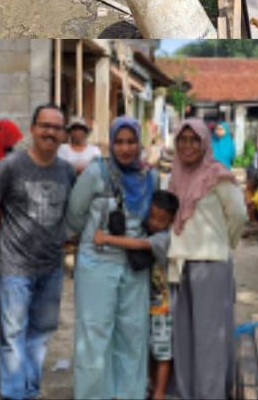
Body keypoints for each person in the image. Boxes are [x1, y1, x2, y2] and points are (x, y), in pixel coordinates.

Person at [0, 105, 77, 400]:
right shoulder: (9, 166)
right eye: (45, 126)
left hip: (51, 267)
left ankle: (31, 390)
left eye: (57, 127)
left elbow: (70, 212)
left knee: (40, 334)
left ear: (63, 134)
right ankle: (14, 394)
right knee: (12, 336)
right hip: (14, 267)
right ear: (33, 129)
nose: (50, 132)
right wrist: (10, 239)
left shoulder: (66, 171)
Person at [65, 117, 158, 400]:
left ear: (139, 143)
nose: (125, 149)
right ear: (110, 143)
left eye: (131, 142)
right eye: (119, 142)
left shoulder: (150, 177)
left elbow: (155, 220)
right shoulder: (95, 172)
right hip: (97, 264)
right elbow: (75, 216)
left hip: (135, 267)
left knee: (132, 335)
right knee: (94, 336)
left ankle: (128, 394)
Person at [167, 118, 246, 400]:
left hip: (211, 264)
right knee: (184, 333)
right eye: (182, 140)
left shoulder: (218, 175)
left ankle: (210, 393)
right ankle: (188, 392)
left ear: (204, 143)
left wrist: (225, 244)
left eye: (194, 140)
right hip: (180, 263)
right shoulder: (174, 175)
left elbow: (239, 216)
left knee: (210, 336)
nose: (188, 146)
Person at [92, 189, 179, 400]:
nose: (155, 223)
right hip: (145, 303)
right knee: (148, 350)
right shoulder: (146, 229)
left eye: (161, 220)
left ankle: (159, 393)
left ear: (171, 221)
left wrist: (106, 238)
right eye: (152, 216)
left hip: (163, 308)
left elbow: (138, 244)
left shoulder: (164, 238)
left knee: (162, 352)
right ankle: (150, 388)